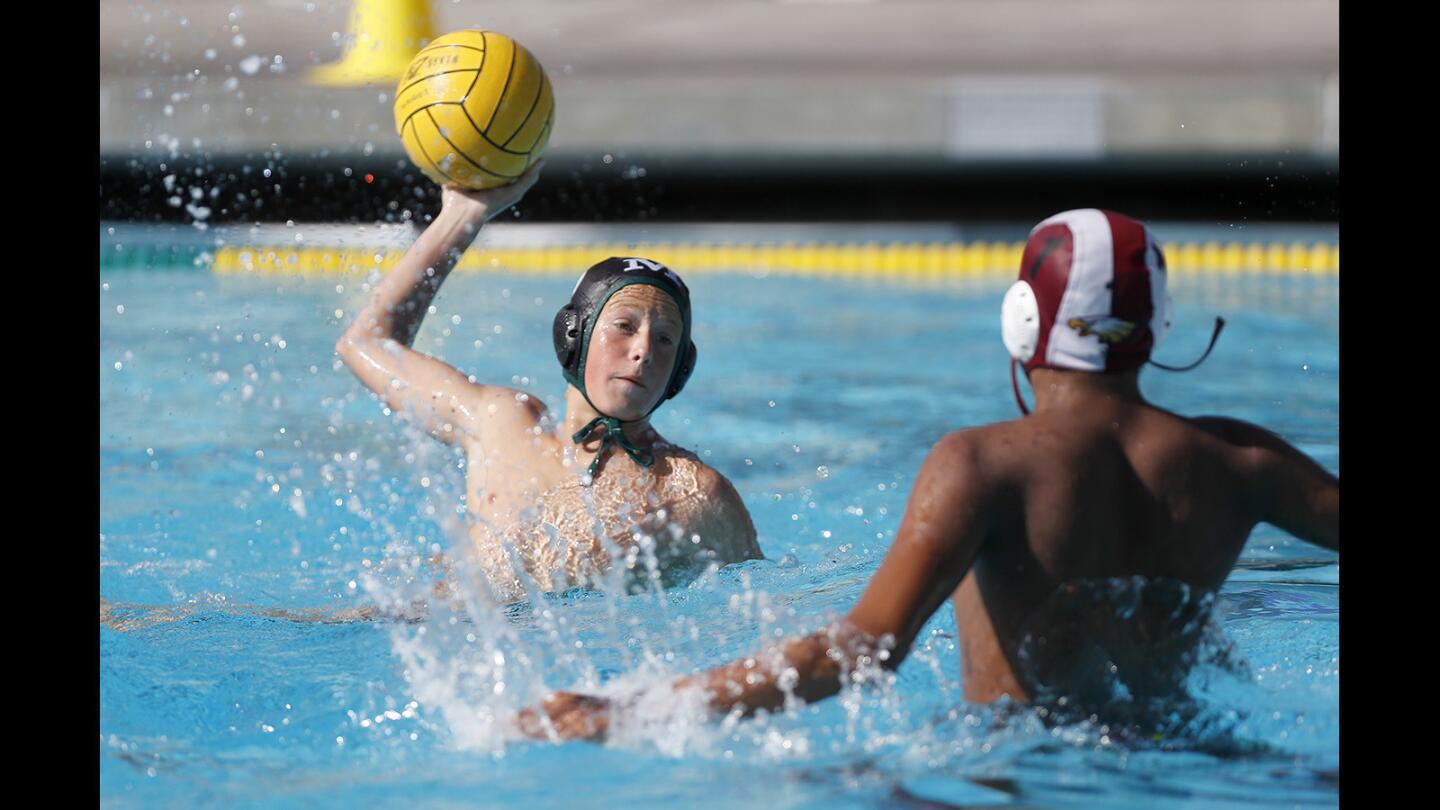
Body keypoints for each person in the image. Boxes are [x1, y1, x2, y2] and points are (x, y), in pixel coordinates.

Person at [518, 208, 1340, 741]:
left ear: (1021, 319)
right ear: (1156, 327)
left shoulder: (982, 464)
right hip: (1198, 757)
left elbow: (857, 651)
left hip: (1019, 774)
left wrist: (632, 709)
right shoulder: (1242, 462)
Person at [335, 167, 761, 603]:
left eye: (666, 338)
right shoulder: (501, 425)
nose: (644, 350)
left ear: (681, 369)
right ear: (572, 336)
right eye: (624, 326)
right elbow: (367, 343)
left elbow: (764, 618)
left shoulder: (694, 493)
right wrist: (464, 215)